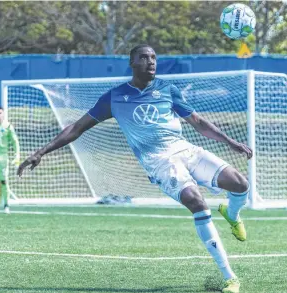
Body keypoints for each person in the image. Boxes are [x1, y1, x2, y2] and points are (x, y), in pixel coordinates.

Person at [17, 45, 252, 293]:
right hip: (159, 161)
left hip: (186, 150)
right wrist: (40, 152)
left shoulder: (167, 89)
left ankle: (232, 214)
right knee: (197, 202)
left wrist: (231, 142)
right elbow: (77, 128)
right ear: (132, 63)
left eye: (153, 58)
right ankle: (230, 277)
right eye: (144, 58)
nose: (151, 62)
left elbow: (198, 122)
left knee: (240, 184)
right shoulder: (114, 97)